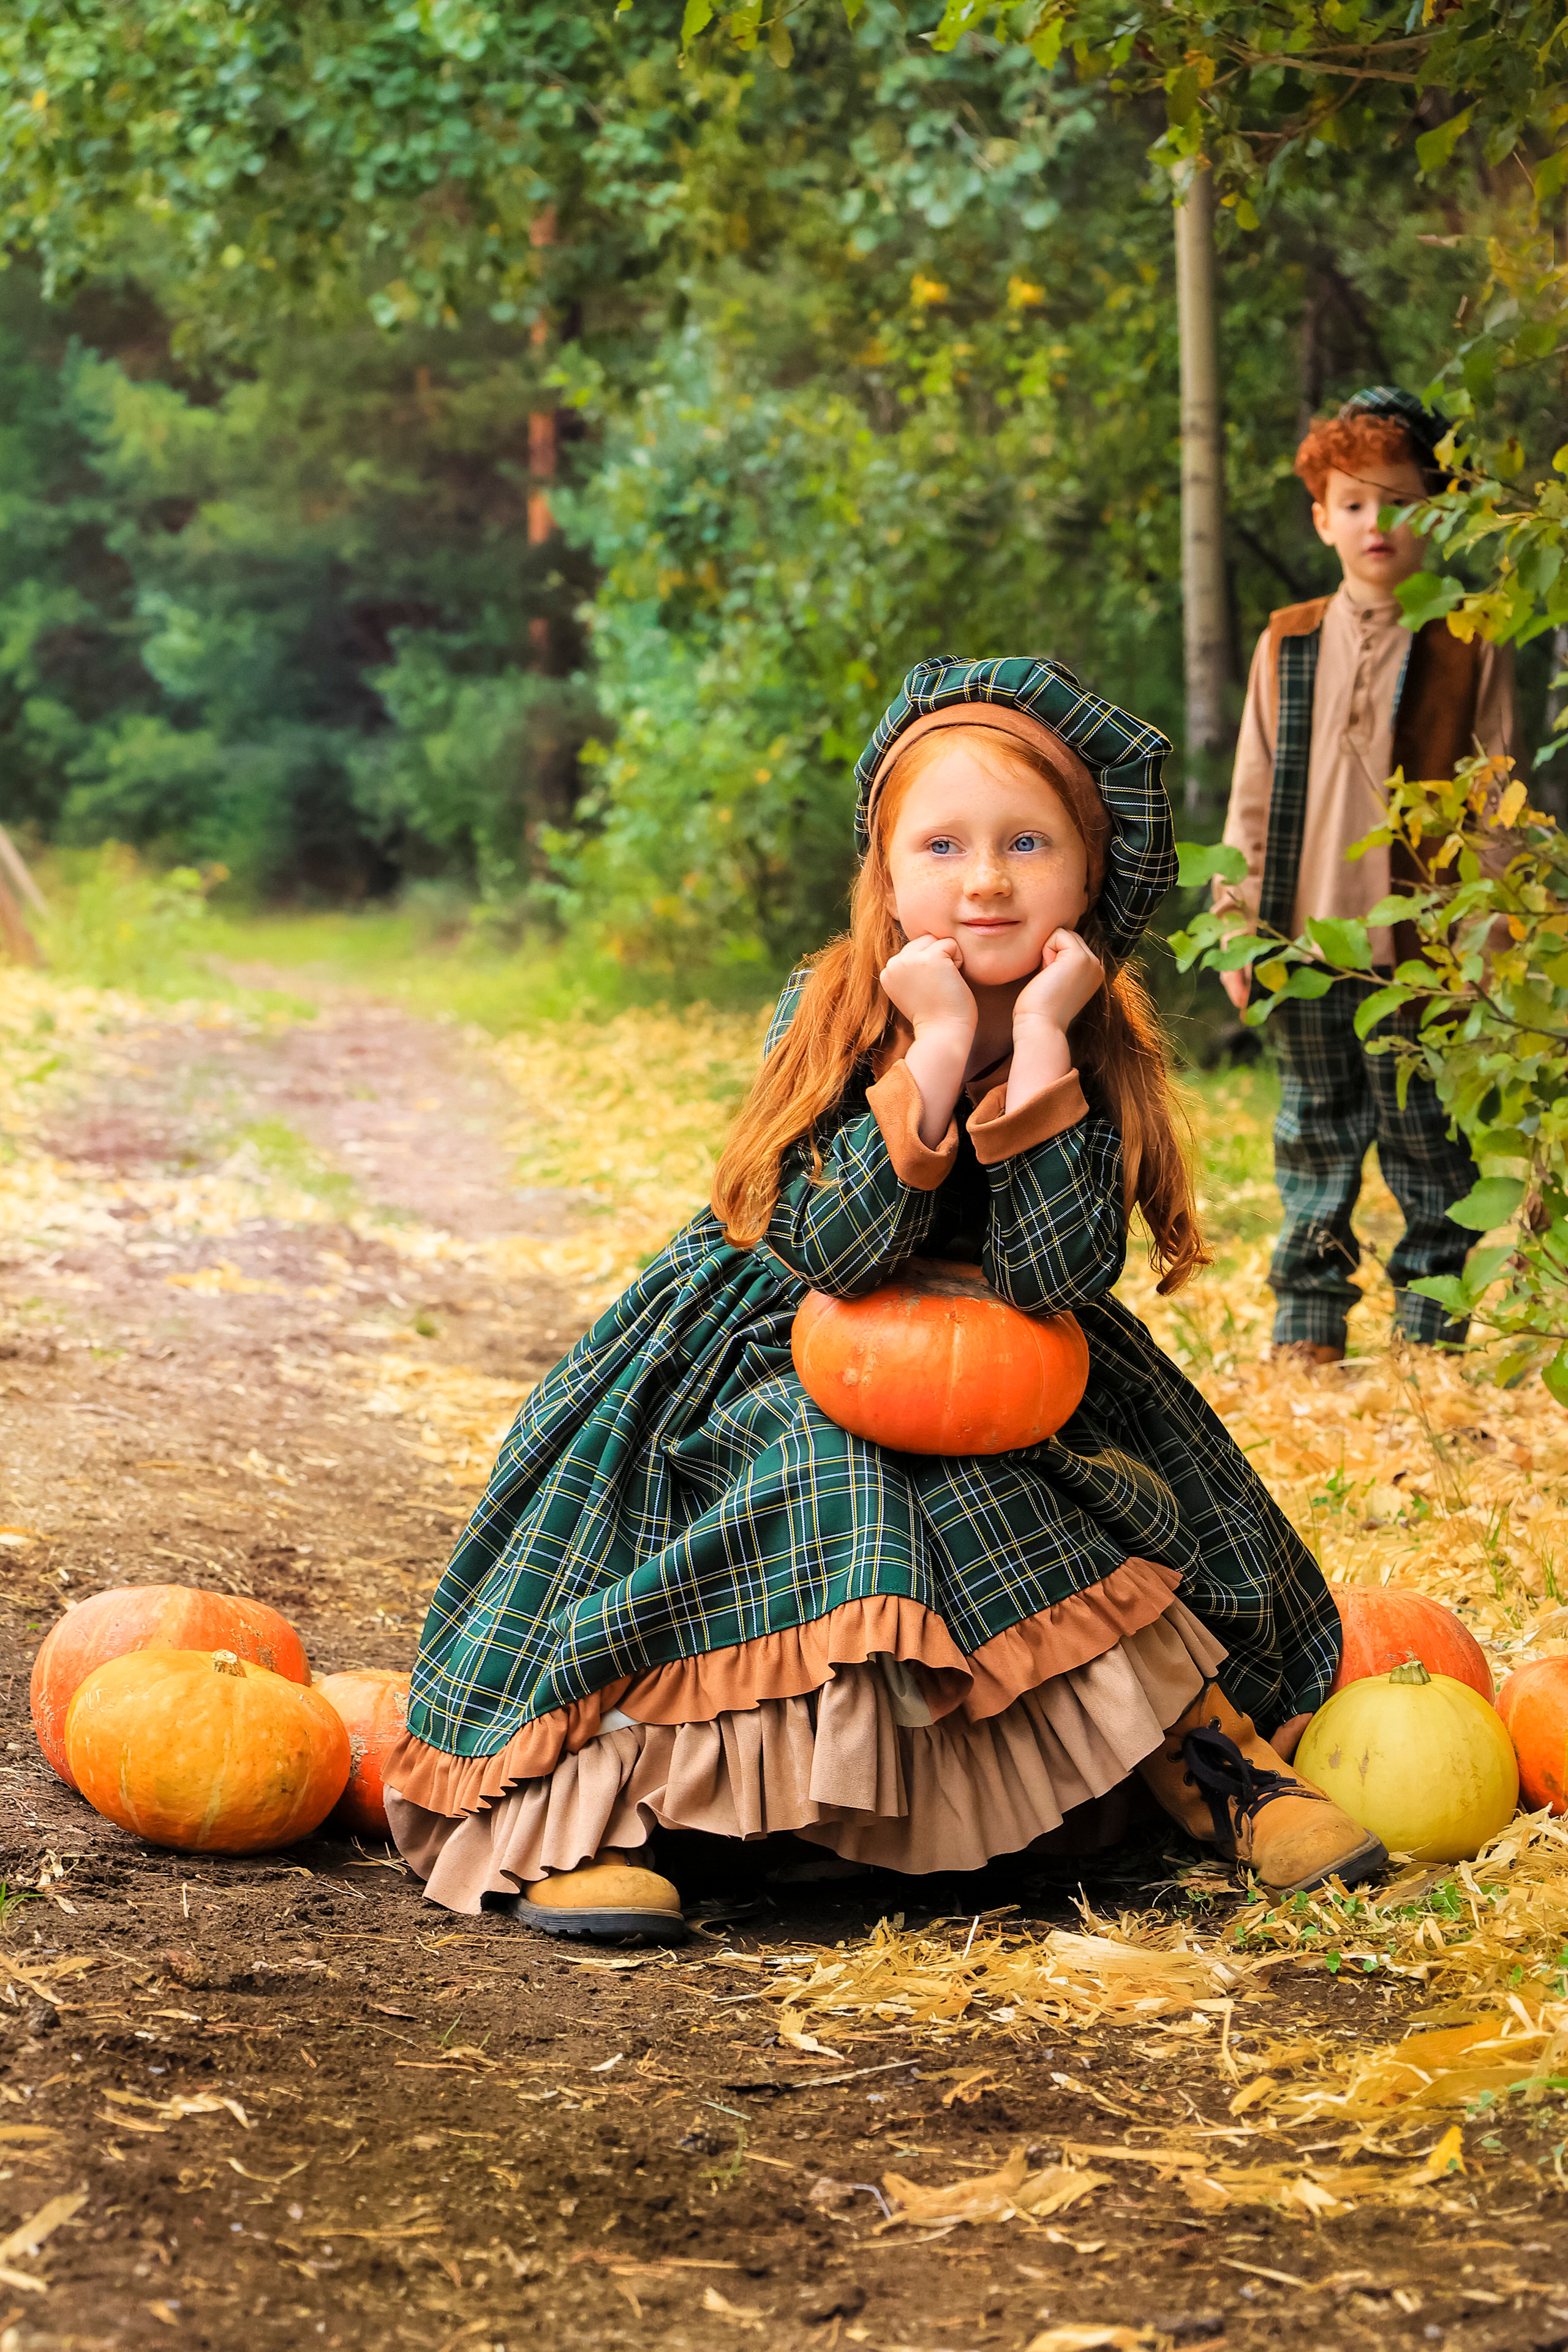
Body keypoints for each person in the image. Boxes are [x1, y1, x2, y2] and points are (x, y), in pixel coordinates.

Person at [384, 655, 1383, 1940]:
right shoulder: (835, 1001)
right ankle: (611, 1814)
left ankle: (1215, 1771)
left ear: (1087, 874)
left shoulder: (1084, 1032)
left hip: (1010, 1348)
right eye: (944, 845)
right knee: (809, 1484)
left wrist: (1031, 1065)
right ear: (885, 872)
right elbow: (835, 1253)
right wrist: (932, 1064)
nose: (984, 879)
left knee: (1030, 1497)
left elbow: (1053, 1278)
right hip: (777, 1327)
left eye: (1027, 843)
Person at [1216, 386, 1516, 1365]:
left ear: (1435, 511)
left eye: (1399, 500)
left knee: (1431, 1141)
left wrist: (1496, 942)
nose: (1376, 523)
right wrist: (1233, 922)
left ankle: (1432, 1330)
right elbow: (1251, 790)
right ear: (1322, 517)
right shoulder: (1289, 638)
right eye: (1354, 503)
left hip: (1423, 953)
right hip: (1303, 944)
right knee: (1315, 1134)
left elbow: (1497, 798)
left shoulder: (1471, 638)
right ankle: (1308, 1326)